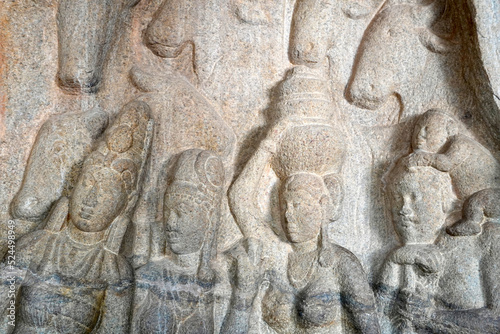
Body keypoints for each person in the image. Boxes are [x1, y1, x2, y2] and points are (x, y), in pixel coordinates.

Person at [0, 100, 153, 333]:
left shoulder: (114, 272)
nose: (90, 199)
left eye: (105, 192)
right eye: (87, 183)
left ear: (125, 203)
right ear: (73, 186)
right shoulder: (32, 247)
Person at [223, 132, 380, 333]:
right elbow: (239, 197)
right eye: (284, 206)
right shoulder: (275, 253)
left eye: (298, 204)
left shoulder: (342, 263)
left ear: (321, 207)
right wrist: (268, 143)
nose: (288, 214)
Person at [378, 161, 500, 333]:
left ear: (443, 200)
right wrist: (393, 262)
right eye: (397, 199)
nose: (404, 209)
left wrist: (431, 316)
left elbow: (496, 319)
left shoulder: (487, 238)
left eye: (415, 197)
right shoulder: (405, 253)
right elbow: (376, 319)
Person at [132, 149, 226, 334]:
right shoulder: (147, 276)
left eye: (181, 211)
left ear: (207, 219)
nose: (171, 222)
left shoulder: (220, 284)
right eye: (167, 212)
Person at [406, 109, 500, 200]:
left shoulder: (461, 143)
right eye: (417, 128)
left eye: (428, 129)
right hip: (464, 201)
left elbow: (447, 164)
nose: (420, 134)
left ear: (449, 130)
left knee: (475, 205)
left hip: (490, 197)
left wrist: (424, 158)